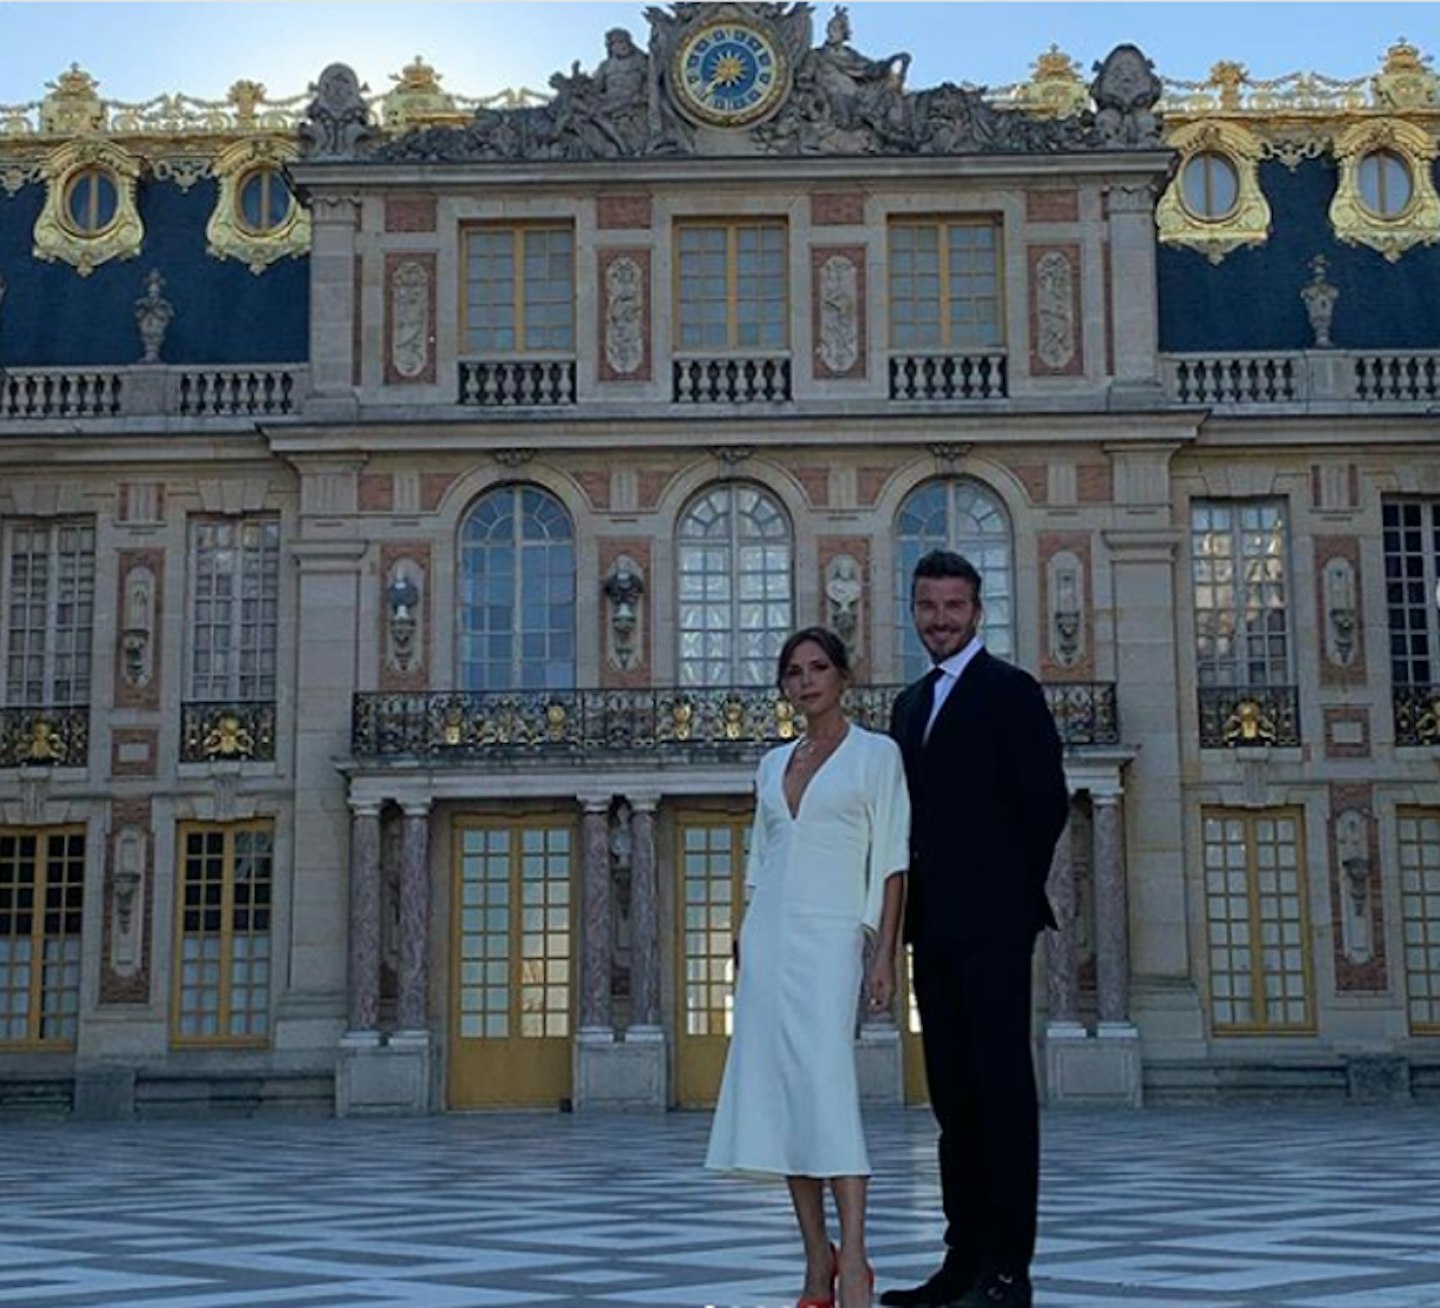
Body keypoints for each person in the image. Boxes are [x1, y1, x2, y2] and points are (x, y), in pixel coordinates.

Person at [882, 551, 1069, 1308]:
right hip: (933, 929)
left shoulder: (1010, 691)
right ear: (914, 611)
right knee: (952, 1098)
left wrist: (1004, 897)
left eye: (952, 607)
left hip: (991, 925)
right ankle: (961, 1261)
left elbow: (1045, 804)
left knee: (1002, 1094)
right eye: (927, 606)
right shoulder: (909, 704)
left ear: (977, 612)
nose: (939, 620)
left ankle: (1006, 1269)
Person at [707, 626, 910, 1308]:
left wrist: (882, 950)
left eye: (818, 667)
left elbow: (890, 859)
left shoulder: (877, 755)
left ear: (843, 676)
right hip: (767, 939)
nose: (806, 681)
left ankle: (854, 1261)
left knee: (825, 1091)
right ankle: (813, 1262)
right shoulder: (771, 764)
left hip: (831, 939)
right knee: (787, 1101)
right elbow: (758, 861)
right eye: (793, 672)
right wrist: (742, 938)